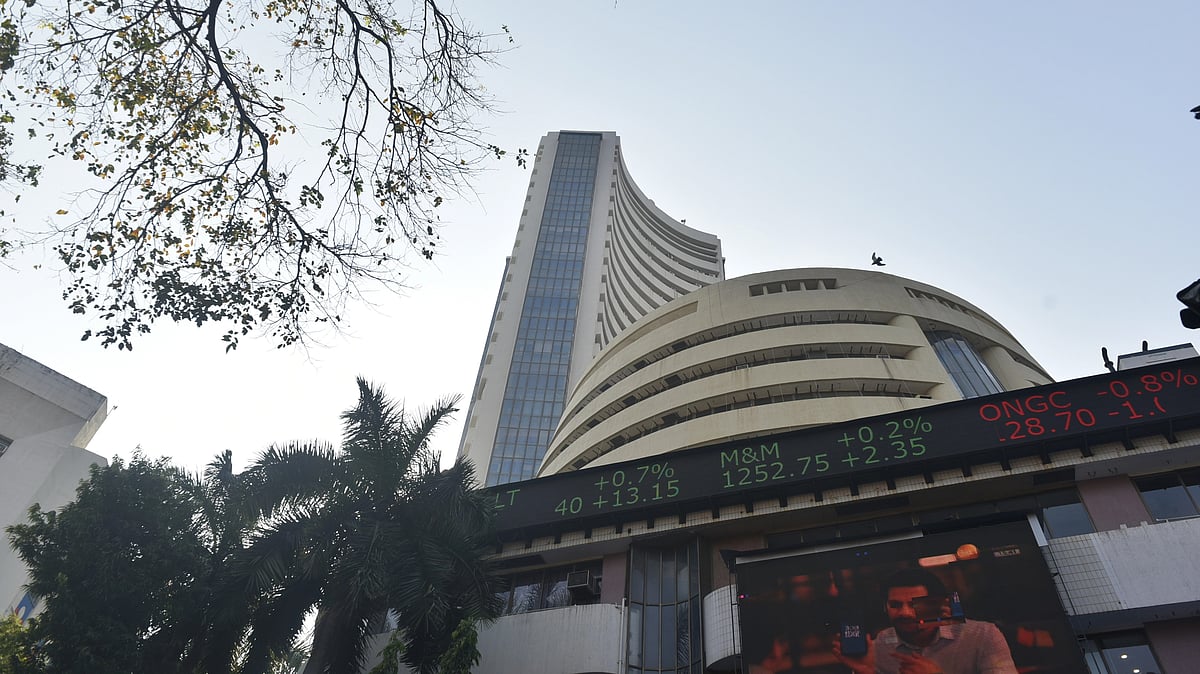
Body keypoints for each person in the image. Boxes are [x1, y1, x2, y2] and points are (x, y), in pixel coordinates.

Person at [833, 568, 1018, 674]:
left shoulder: (982, 635)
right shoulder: (881, 643)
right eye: (895, 605)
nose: (905, 613)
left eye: (915, 605)